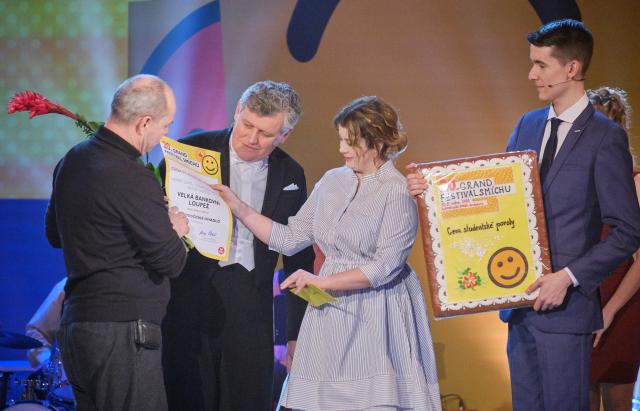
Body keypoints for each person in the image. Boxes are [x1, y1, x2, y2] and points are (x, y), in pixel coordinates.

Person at [407, 19, 640, 411]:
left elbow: (628, 231)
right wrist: (431, 191)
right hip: (518, 305)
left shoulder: (606, 136)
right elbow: (497, 198)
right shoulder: (528, 124)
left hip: (566, 311)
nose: (531, 74)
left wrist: (568, 278)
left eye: (541, 65)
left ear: (572, 68)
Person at [215, 96, 442, 410]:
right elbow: (291, 238)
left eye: (350, 142)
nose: (342, 149)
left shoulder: (397, 190)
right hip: (330, 313)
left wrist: (322, 282)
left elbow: (384, 267)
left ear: (376, 143)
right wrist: (239, 208)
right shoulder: (332, 181)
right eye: (341, 140)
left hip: (375, 312)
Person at [160, 80, 314, 411]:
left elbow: (298, 255)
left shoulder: (291, 173)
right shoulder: (188, 153)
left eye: (265, 133)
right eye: (247, 125)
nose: (251, 139)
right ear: (237, 112)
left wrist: (296, 334)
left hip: (251, 305)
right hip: (188, 296)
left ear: (284, 136)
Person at [45, 74, 189, 411]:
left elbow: (55, 234)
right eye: (166, 125)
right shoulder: (132, 175)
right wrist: (175, 228)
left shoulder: (72, 160)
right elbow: (171, 261)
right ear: (143, 123)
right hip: (123, 332)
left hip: (77, 326)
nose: (165, 133)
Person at [587, 87, 640, 411]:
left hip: (622, 306)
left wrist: (608, 312)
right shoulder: (580, 184)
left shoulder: (635, 183)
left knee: (617, 402)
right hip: (583, 307)